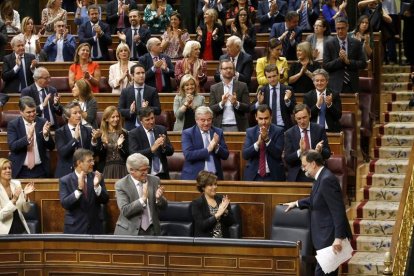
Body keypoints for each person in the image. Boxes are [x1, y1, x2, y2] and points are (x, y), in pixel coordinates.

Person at [284, 150, 353, 276]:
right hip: (324, 237)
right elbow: (315, 199)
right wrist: (296, 203)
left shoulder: (327, 179)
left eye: (304, 165)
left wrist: (338, 237)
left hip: (330, 238)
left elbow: (338, 210)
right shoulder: (320, 177)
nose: (303, 169)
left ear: (313, 164)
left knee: (321, 273)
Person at [114, 153, 168, 236]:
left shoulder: (154, 180)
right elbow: (125, 210)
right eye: (143, 170)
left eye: (147, 169)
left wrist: (159, 199)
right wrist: (142, 199)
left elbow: (164, 207)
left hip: (152, 231)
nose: (146, 172)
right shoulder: (121, 184)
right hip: (129, 232)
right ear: (131, 170)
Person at [59, 148, 109, 234]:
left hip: (95, 228)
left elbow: (105, 200)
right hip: (75, 228)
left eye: (93, 160)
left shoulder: (97, 176)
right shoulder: (65, 180)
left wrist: (97, 187)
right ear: (79, 163)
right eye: (89, 161)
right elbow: (65, 204)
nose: (93, 163)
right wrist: (79, 190)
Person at [7, 96, 55, 178]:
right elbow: (12, 147)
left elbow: (51, 147)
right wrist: (28, 137)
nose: (32, 114)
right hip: (21, 170)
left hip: (41, 169)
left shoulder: (42, 122)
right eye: (28, 112)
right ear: (21, 112)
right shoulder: (13, 125)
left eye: (34, 111)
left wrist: (46, 135)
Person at [284, 103, 331, 182]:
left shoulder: (319, 129)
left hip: (316, 169)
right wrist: (300, 151)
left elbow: (328, 154)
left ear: (310, 115)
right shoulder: (289, 133)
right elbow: (288, 159)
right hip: (299, 173)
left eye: (304, 117)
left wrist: (320, 151)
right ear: (295, 119)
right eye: (299, 119)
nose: (302, 121)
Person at [181, 106, 229, 180]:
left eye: (209, 120)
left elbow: (226, 155)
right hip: (194, 177)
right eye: (203, 120)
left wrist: (216, 146)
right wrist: (208, 149)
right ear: (196, 120)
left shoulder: (218, 132)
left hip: (214, 177)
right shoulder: (188, 133)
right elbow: (188, 155)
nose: (206, 123)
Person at [54, 102, 99, 178]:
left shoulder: (88, 130)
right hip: (66, 173)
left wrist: (94, 141)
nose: (79, 115)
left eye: (80, 112)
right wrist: (75, 139)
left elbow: (93, 153)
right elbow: (63, 153)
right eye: (75, 113)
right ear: (67, 117)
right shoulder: (60, 132)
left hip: (85, 172)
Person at [323, 17, 367, 93]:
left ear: (347, 27)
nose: (340, 31)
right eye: (338, 28)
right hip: (335, 85)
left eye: (342, 28)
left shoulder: (356, 43)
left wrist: (348, 61)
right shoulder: (329, 44)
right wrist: (340, 60)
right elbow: (326, 66)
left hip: (352, 84)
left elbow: (363, 64)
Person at [129, 107, 174, 179]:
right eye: (147, 120)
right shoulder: (134, 134)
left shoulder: (161, 129)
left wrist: (164, 146)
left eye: (152, 118)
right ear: (141, 121)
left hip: (163, 174)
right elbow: (134, 154)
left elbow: (171, 152)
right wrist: (152, 149)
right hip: (146, 175)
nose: (151, 121)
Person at [242, 105, 285, 181]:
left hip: (273, 176)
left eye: (266, 118)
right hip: (254, 176)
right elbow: (245, 155)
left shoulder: (279, 131)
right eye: (260, 119)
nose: (263, 122)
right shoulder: (250, 132)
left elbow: (278, 154)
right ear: (256, 117)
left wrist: (267, 140)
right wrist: (257, 144)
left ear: (271, 117)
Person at [118, 63, 161, 131]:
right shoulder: (125, 91)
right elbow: (119, 110)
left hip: (148, 126)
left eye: (143, 73)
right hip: (131, 127)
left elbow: (158, 110)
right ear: (132, 76)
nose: (141, 75)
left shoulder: (152, 90)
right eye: (138, 73)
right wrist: (130, 111)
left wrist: (147, 108)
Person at [210, 59, 250, 132]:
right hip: (219, 125)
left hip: (238, 125)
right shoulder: (214, 88)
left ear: (234, 70)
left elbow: (247, 108)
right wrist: (221, 103)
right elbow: (211, 108)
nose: (228, 70)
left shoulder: (242, 86)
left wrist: (236, 103)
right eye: (225, 68)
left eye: (231, 68)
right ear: (220, 71)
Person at [191, 170, 235, 238]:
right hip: (206, 243)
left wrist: (225, 212)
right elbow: (202, 226)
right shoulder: (196, 203)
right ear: (203, 187)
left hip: (223, 241)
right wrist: (218, 214)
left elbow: (231, 222)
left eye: (215, 184)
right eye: (211, 185)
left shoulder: (222, 200)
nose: (214, 187)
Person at [253, 64, 295, 130]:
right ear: (266, 78)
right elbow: (251, 109)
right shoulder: (262, 90)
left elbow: (294, 110)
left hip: (284, 126)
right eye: (269, 77)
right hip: (266, 126)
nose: (272, 79)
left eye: (274, 76)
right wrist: (259, 103)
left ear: (278, 75)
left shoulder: (287, 89)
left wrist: (287, 101)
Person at [0, 158, 35, 234]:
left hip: (20, 226)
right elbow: (1, 215)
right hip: (4, 230)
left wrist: (25, 196)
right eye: (4, 168)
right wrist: (14, 199)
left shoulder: (16, 184)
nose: (8, 170)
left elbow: (25, 210)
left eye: (9, 168)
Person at [96, 106, 129, 179]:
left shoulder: (124, 133)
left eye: (117, 116)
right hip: (106, 168)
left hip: (122, 168)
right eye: (113, 117)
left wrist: (120, 146)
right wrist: (104, 144)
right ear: (106, 119)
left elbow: (128, 153)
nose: (116, 119)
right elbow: (97, 155)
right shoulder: (100, 134)